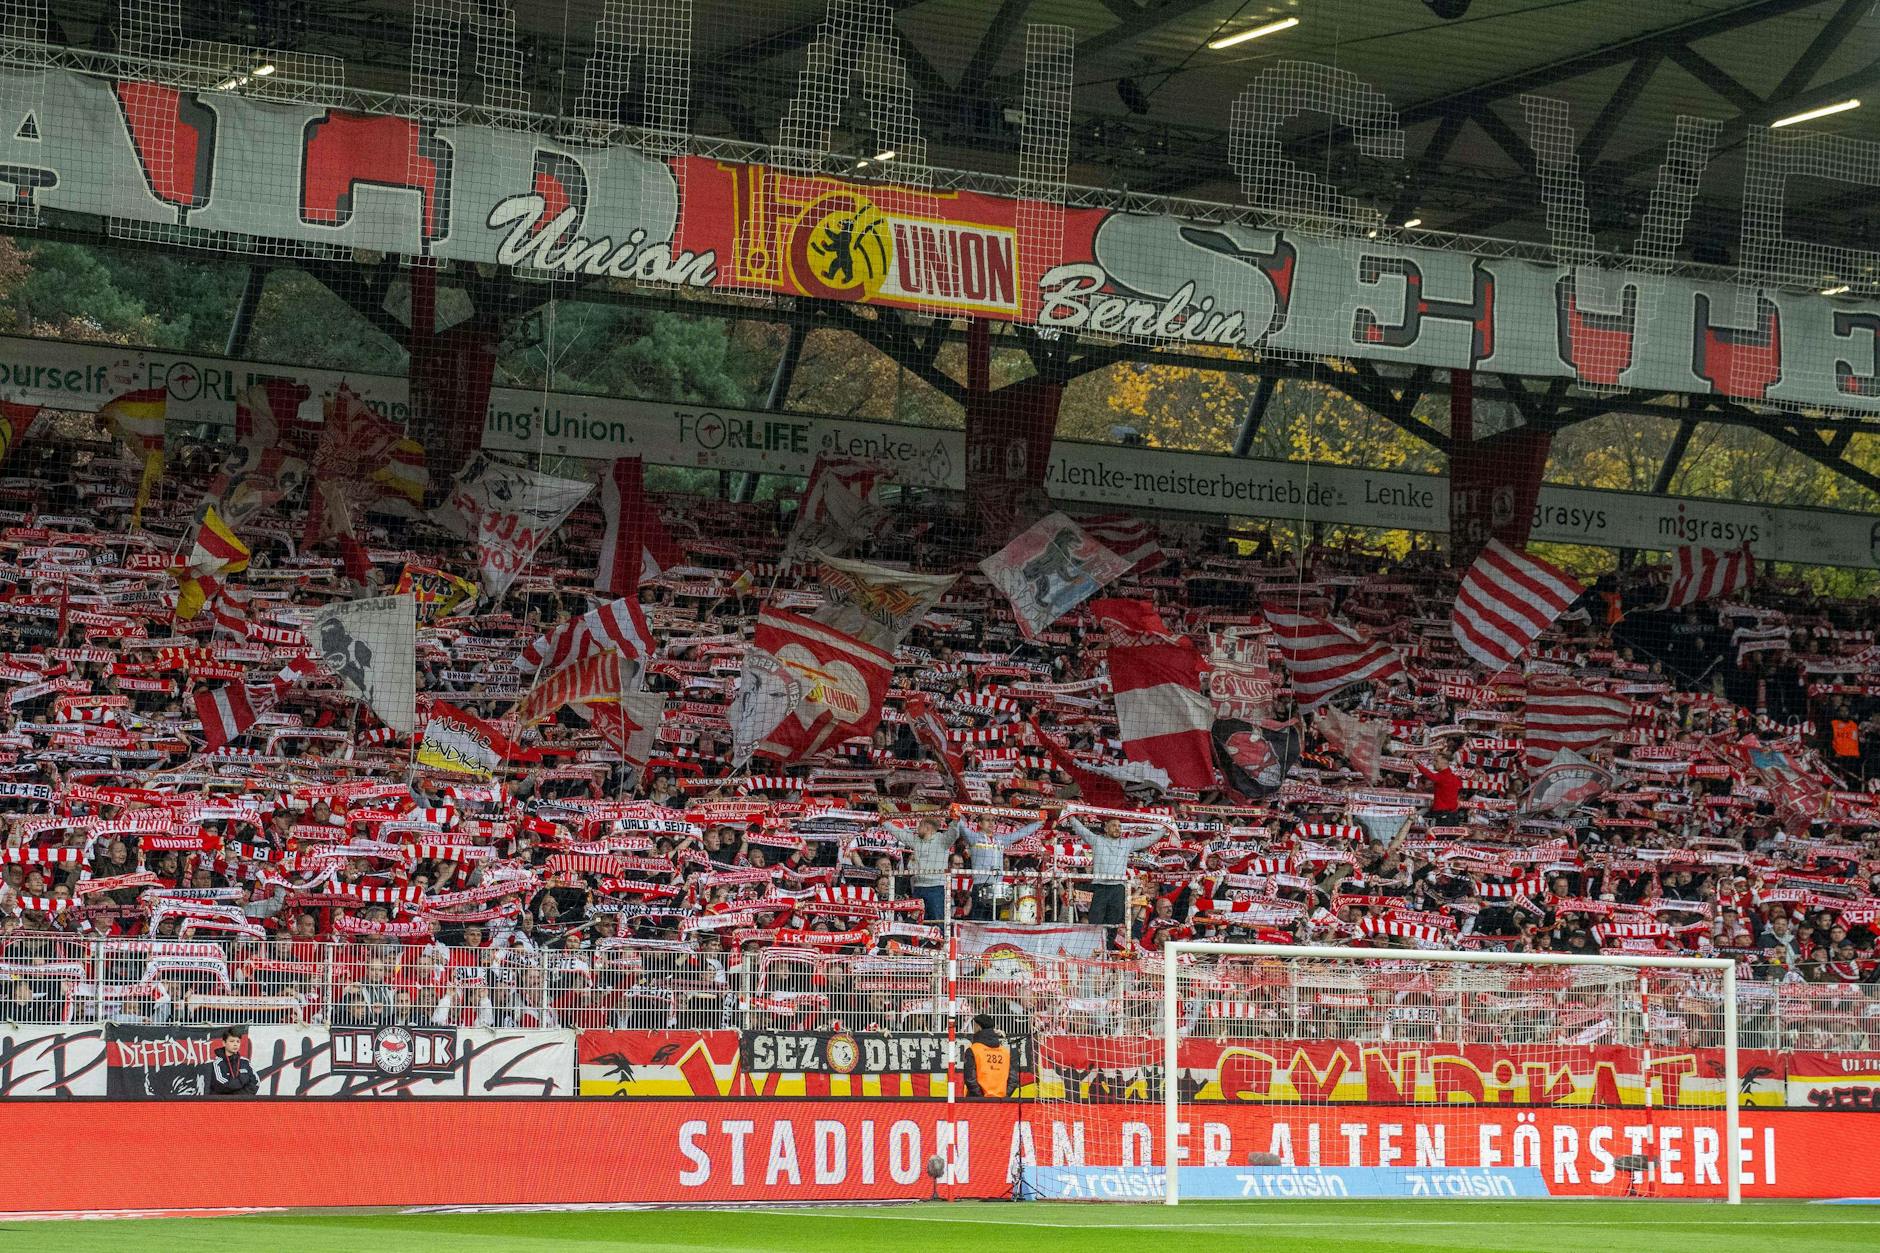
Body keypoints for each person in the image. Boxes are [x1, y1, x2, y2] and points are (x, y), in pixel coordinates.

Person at [961, 1013, 1011, 1099]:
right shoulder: (1005, 1052)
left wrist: (981, 1098)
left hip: (978, 1102)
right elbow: (1013, 1079)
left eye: (974, 1026)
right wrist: (1004, 1097)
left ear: (978, 1027)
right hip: (1000, 1100)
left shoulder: (973, 1050)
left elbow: (970, 1079)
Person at [207, 1029, 259, 1096]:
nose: (235, 1044)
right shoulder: (217, 1063)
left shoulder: (245, 1062)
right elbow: (222, 1085)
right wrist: (243, 1080)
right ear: (224, 1043)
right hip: (222, 1104)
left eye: (238, 1041)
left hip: (242, 1102)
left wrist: (239, 1096)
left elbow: (256, 1083)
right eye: (232, 1041)